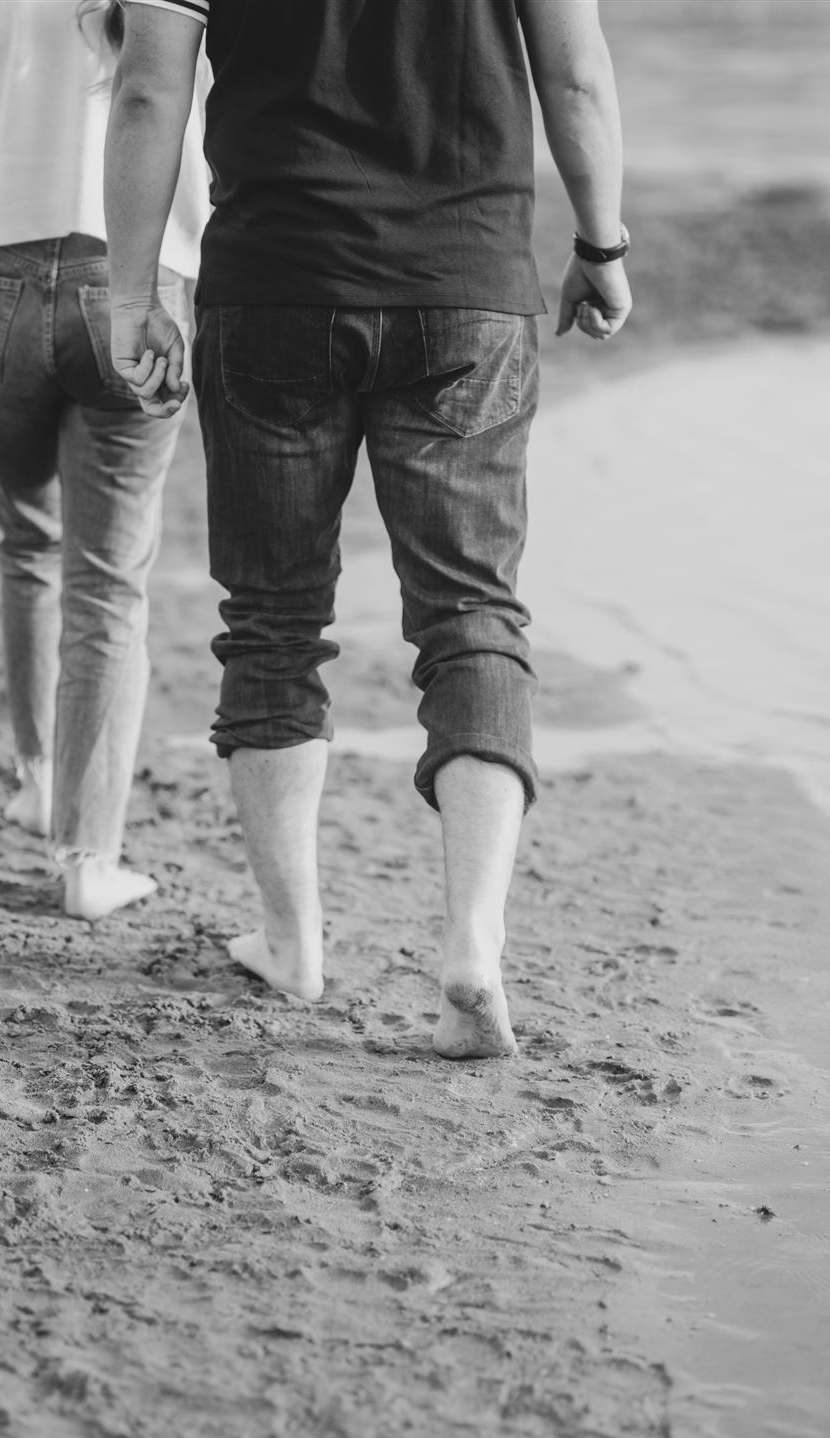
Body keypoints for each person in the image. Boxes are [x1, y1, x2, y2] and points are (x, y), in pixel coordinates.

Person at [103, 0, 632, 1054]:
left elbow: (149, 89)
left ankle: (292, 943)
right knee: (471, 616)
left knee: (272, 619)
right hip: (465, 289)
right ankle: (472, 948)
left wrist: (130, 295)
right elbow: (573, 76)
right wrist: (599, 241)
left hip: (274, 290)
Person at [0, 0, 211, 920]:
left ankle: (36, 776)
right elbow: (204, 126)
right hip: (136, 284)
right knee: (108, 582)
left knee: (26, 535)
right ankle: (88, 857)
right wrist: (203, 268)